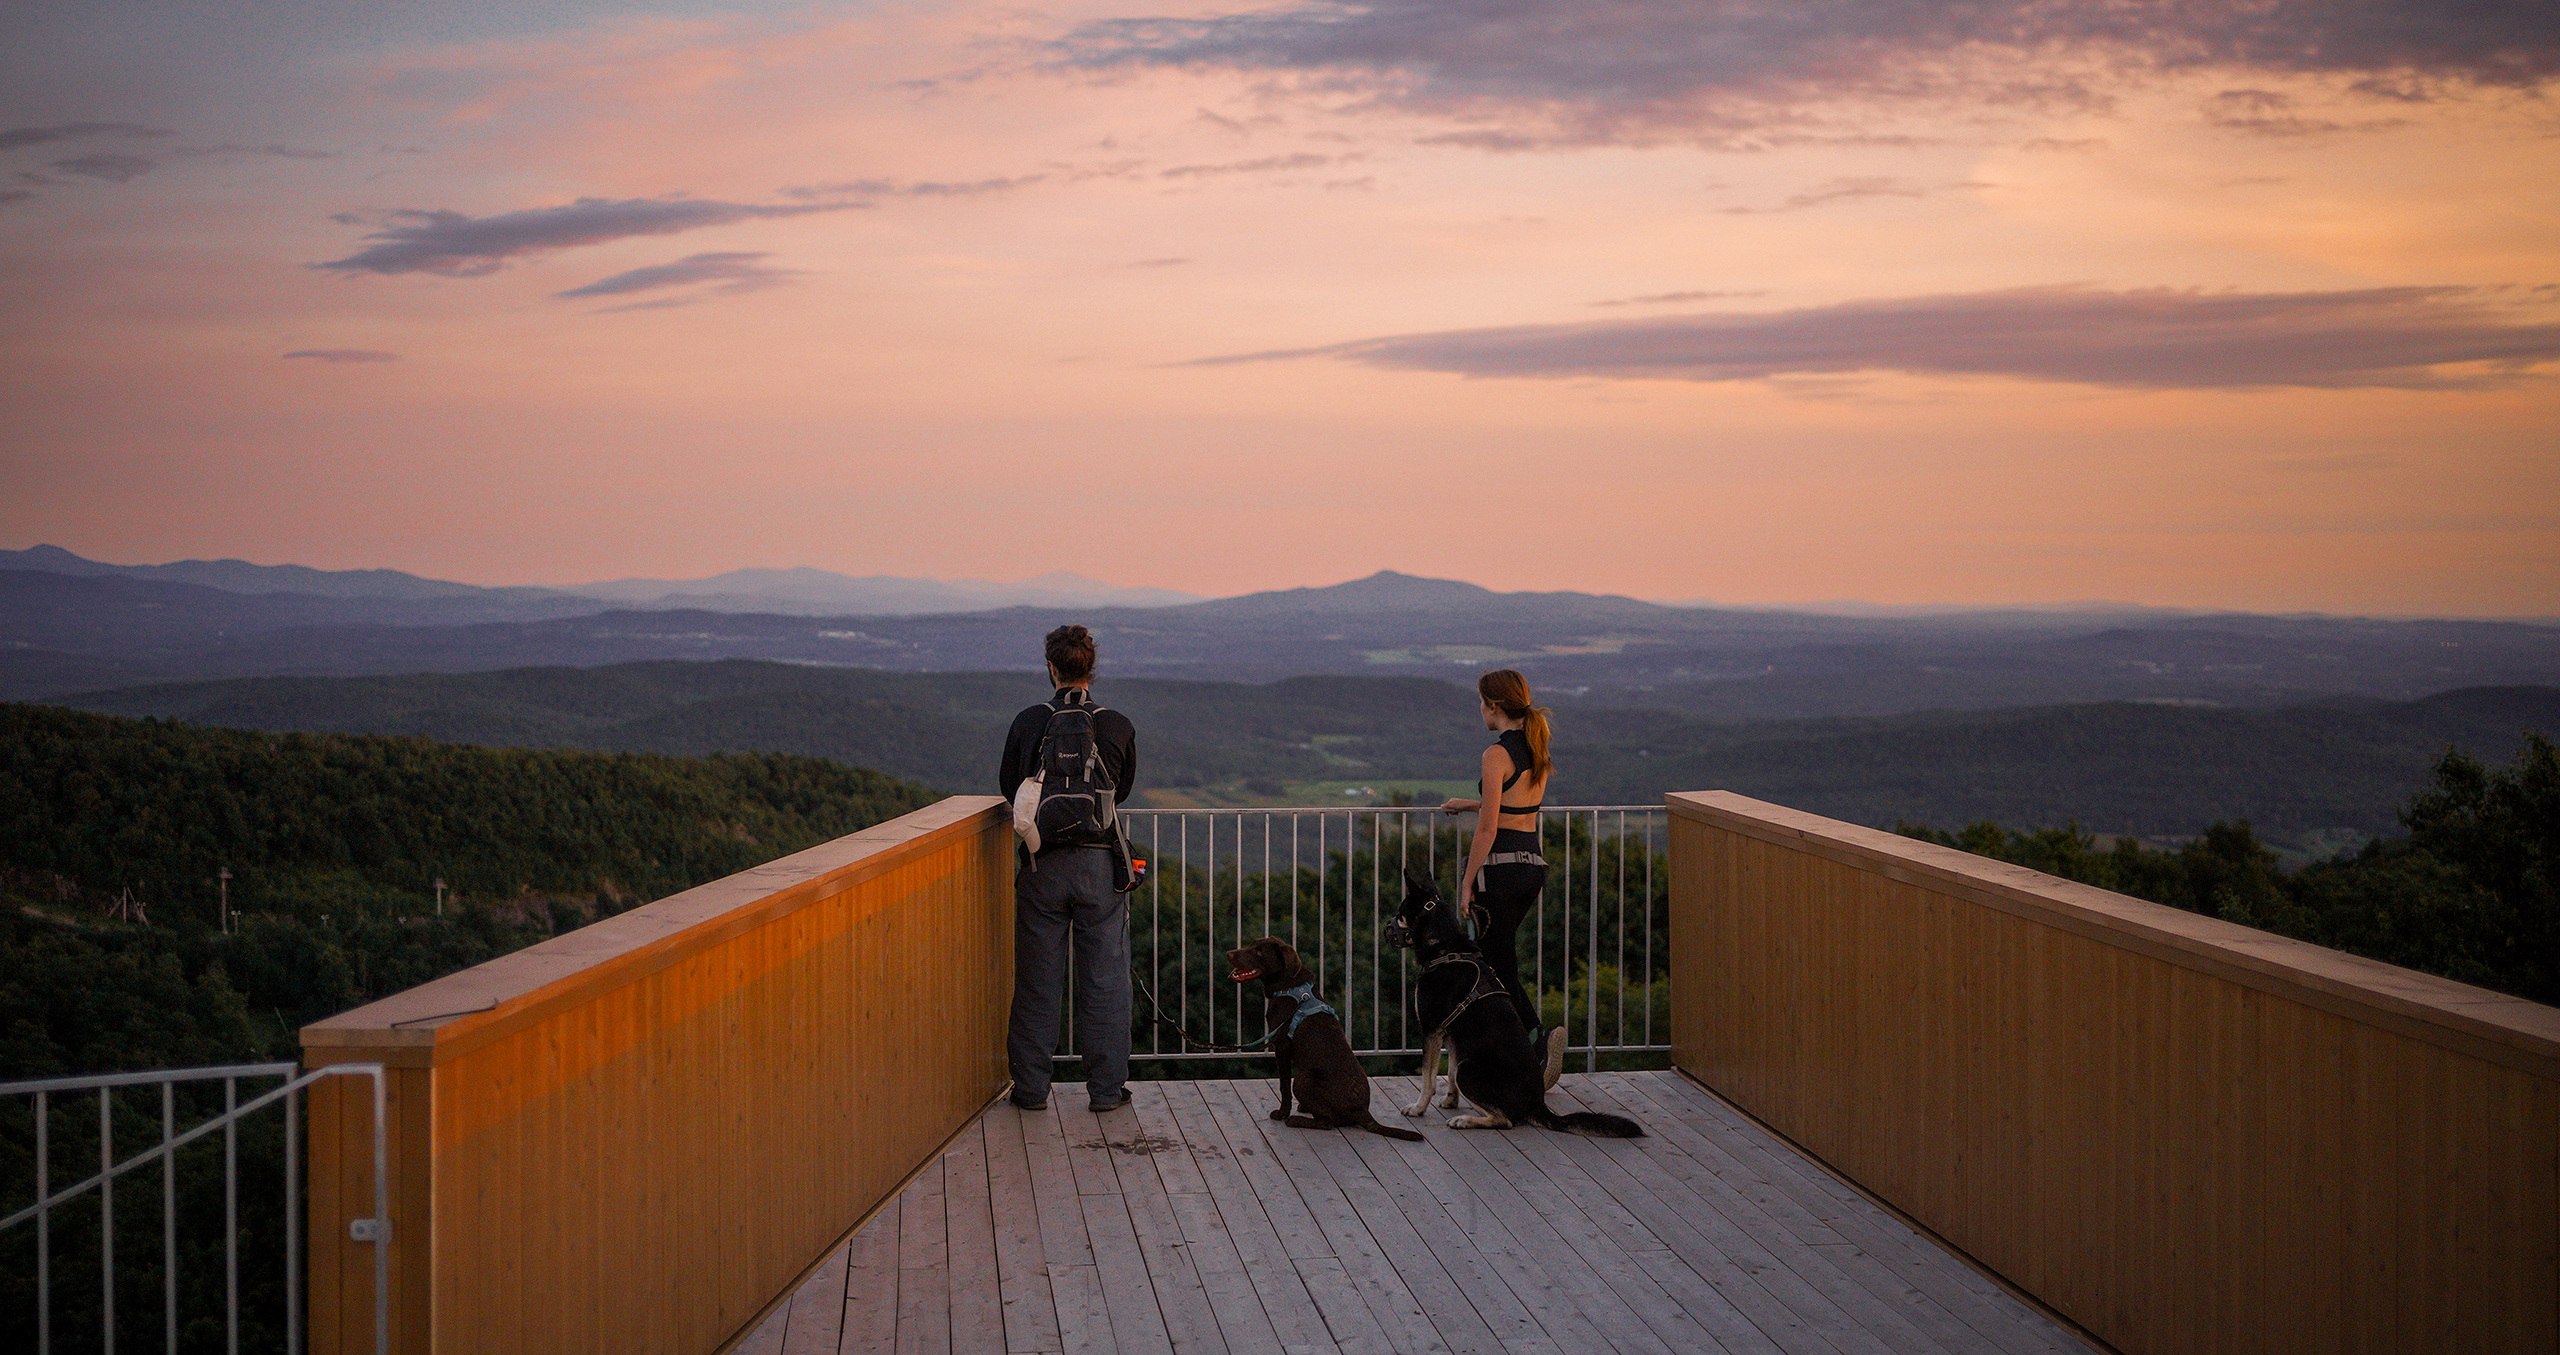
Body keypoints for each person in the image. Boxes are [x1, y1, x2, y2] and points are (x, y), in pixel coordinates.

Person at [998, 624, 1140, 1113]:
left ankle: (1032, 1089)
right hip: (1100, 868)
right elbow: (1119, 792)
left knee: (1038, 980)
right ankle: (1105, 1092)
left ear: (1051, 667)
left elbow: (1010, 788)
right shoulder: (1116, 724)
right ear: (1091, 668)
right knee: (1104, 982)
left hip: (1043, 865)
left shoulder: (1028, 721)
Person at [1441, 668, 1567, 1088]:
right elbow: (1517, 812)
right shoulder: (1536, 747)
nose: (1480, 710)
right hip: (1531, 866)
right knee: (1499, 956)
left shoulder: (1496, 754)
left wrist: (1467, 880)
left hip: (1500, 869)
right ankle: (1522, 1051)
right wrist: (1472, 803)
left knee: (1495, 963)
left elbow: (1491, 830)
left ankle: (1536, 1040)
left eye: (1481, 702)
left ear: (1493, 706)